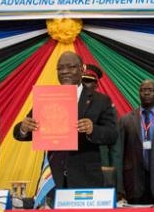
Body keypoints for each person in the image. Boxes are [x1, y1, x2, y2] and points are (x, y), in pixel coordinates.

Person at [13, 51, 117, 188]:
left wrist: (93, 129)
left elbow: (112, 135)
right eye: (60, 68)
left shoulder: (100, 100)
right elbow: (20, 133)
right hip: (52, 177)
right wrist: (23, 128)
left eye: (70, 67)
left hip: (86, 178)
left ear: (82, 69)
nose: (65, 71)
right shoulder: (47, 98)